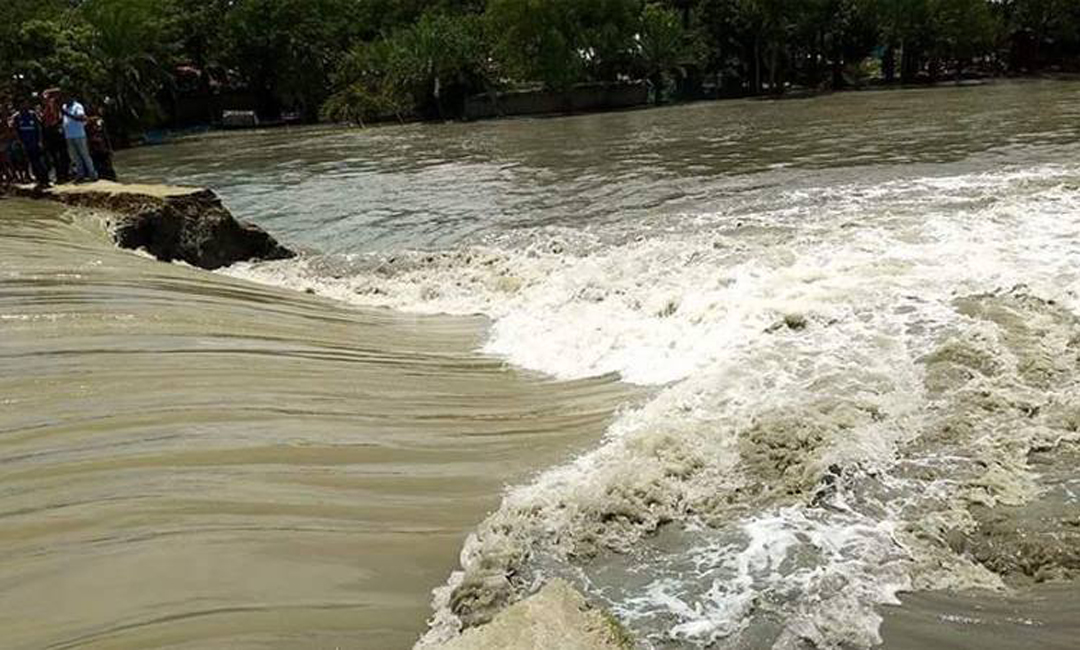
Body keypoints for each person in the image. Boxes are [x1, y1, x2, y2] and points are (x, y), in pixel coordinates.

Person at [10, 97, 51, 189]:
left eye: (26, 103)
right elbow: (15, 131)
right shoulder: (16, 117)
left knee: (40, 162)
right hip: (25, 144)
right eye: (22, 104)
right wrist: (20, 142)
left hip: (35, 143)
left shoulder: (32, 114)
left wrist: (40, 141)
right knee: (32, 163)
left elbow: (39, 129)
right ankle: (39, 180)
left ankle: (45, 180)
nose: (25, 105)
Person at [61, 91, 97, 183]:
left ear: (71, 97)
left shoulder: (77, 106)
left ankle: (92, 174)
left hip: (79, 134)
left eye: (67, 97)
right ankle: (80, 174)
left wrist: (67, 114)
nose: (65, 99)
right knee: (75, 157)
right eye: (64, 98)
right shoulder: (64, 106)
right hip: (68, 135)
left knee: (84, 154)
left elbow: (81, 118)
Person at [40, 88, 70, 184]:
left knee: (62, 154)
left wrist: (49, 93)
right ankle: (59, 175)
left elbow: (57, 90)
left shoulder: (55, 105)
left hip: (56, 129)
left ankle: (65, 174)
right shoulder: (44, 109)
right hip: (49, 132)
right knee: (54, 156)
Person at [86, 108, 117, 181]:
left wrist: (109, 148)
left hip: (100, 147)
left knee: (105, 165)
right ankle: (107, 177)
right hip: (97, 147)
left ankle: (108, 177)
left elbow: (105, 135)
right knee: (102, 166)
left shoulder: (96, 122)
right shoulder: (89, 123)